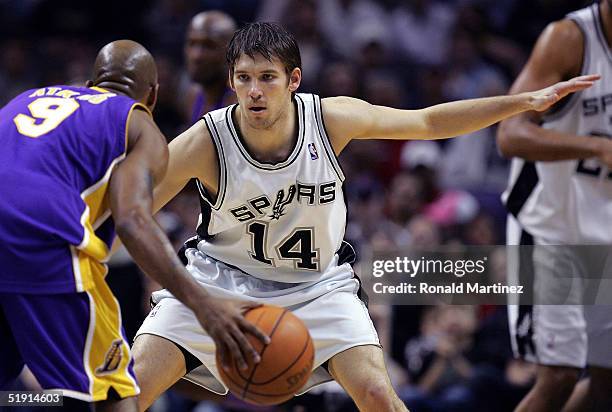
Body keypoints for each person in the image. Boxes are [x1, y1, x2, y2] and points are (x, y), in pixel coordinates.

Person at [132, 22, 597, 412]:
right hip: (220, 285)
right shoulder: (204, 141)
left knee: (378, 394)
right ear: (231, 80)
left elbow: (428, 122)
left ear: (293, 79)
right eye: (244, 78)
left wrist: (523, 103)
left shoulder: (332, 118)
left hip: (317, 288)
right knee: (130, 387)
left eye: (267, 78)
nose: (254, 91)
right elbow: (132, 211)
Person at [0, 40, 266, 412]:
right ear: (152, 95)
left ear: (93, 82)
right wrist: (205, 306)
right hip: (43, 246)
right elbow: (133, 220)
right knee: (115, 394)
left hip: (17, 243)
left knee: (13, 384)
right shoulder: (137, 124)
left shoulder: (27, 98)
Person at [497, 1, 612, 411]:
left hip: (604, 230)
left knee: (608, 380)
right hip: (550, 227)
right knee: (559, 375)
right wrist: (597, 147)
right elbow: (509, 134)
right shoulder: (569, 39)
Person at [182, 10, 237, 125]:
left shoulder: (239, 104)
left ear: (232, 52)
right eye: (192, 43)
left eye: (209, 46)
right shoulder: (192, 96)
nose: (197, 56)